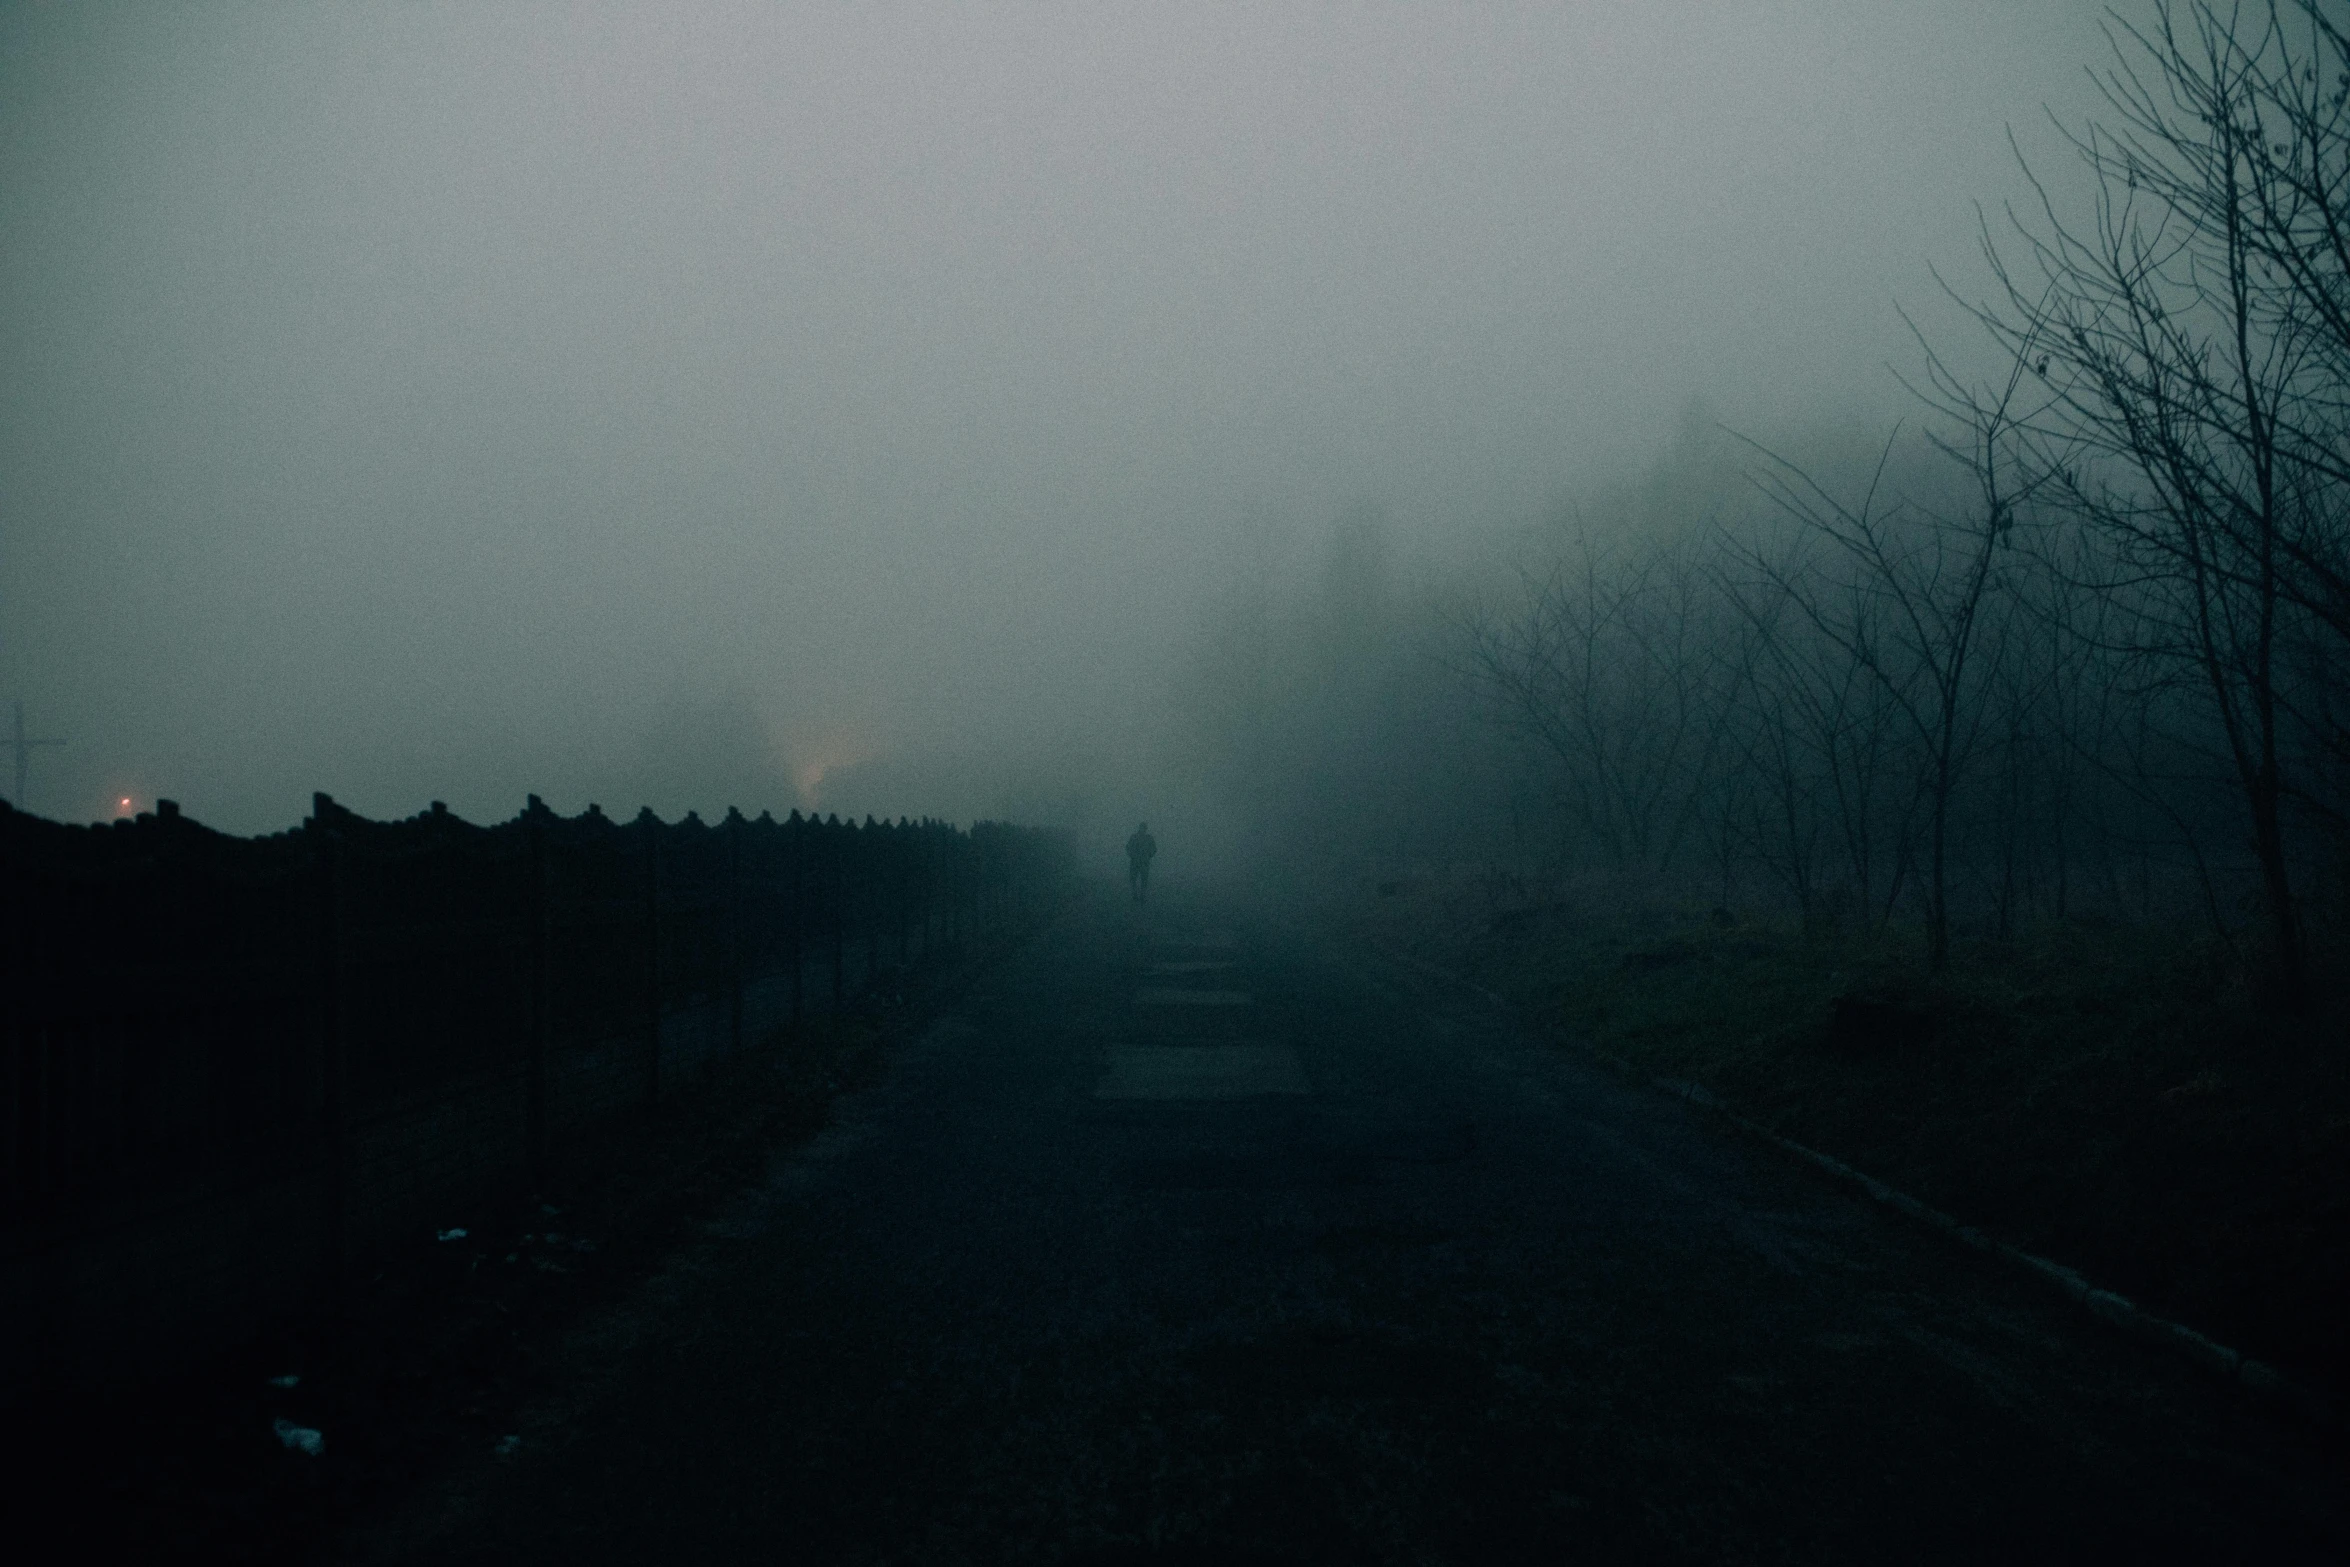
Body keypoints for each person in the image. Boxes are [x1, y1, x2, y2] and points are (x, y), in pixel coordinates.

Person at [1125, 822, 1158, 904]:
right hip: (1136, 862)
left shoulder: (1148, 838)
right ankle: (1135, 895)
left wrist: (1148, 856)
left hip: (1143, 862)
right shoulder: (1134, 837)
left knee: (1144, 880)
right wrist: (1132, 855)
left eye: (1144, 828)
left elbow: (1154, 849)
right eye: (1142, 827)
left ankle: (1142, 896)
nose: (1143, 829)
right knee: (1133, 879)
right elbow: (1128, 847)